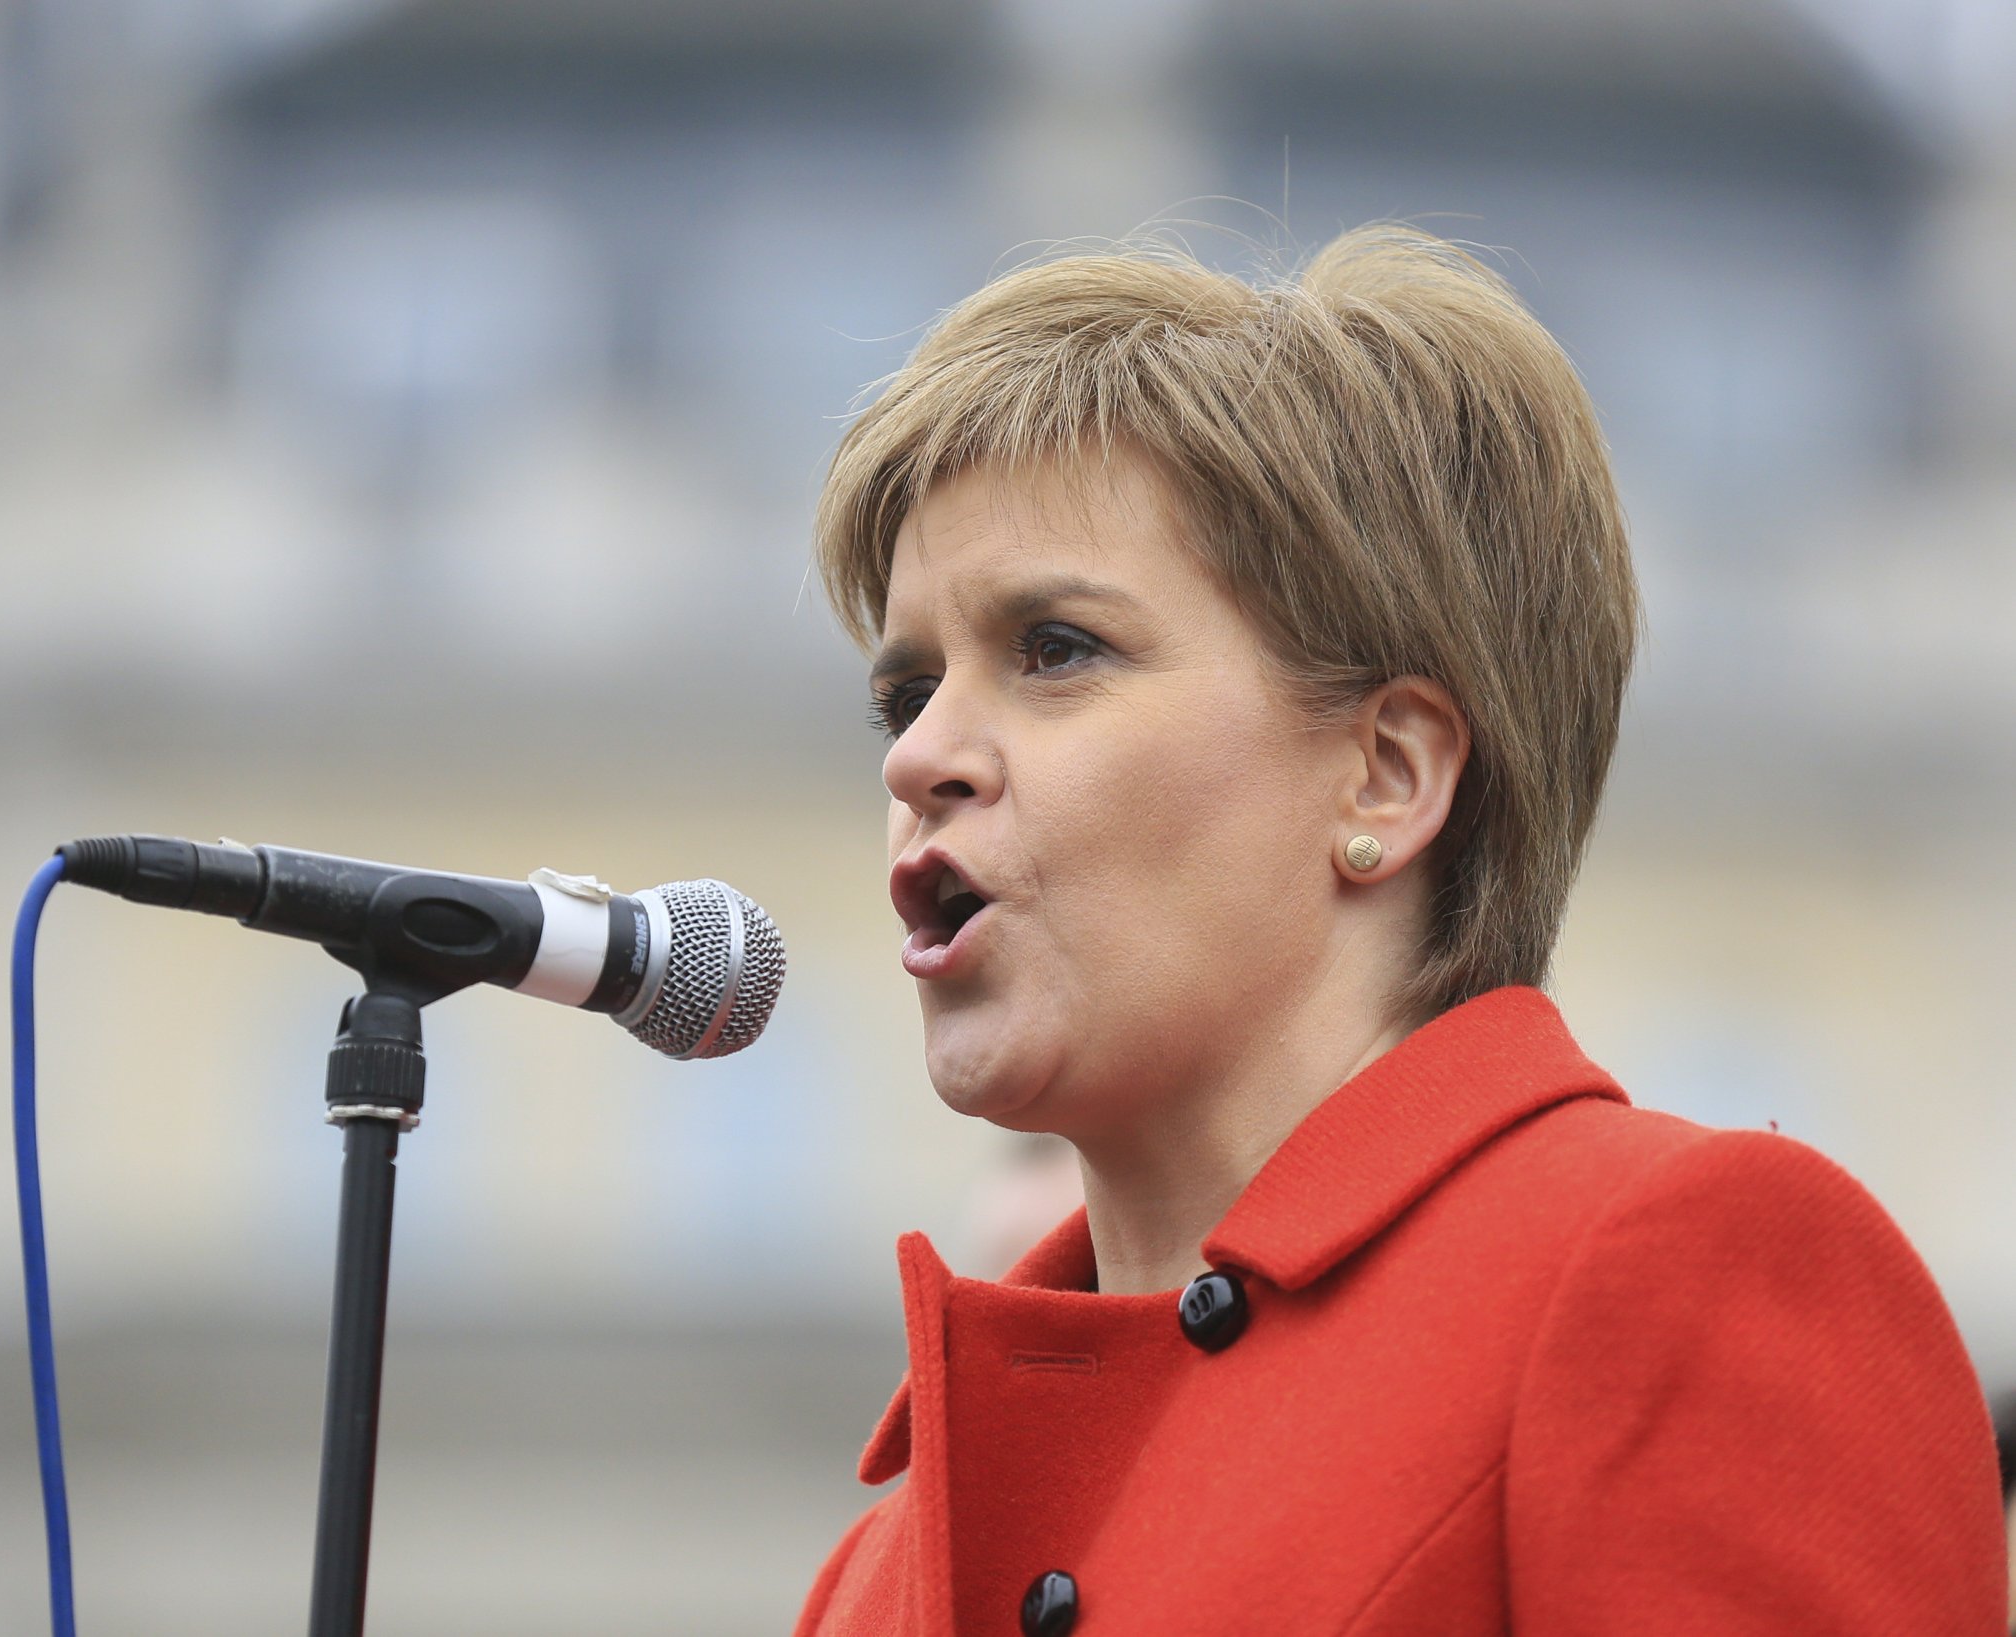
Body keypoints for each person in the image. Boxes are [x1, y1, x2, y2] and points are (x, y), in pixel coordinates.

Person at [793, 229, 2009, 1635]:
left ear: (1389, 773)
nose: (919, 756)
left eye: (1056, 649)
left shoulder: (1672, 1278)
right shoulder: (876, 1579)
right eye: (905, 693)